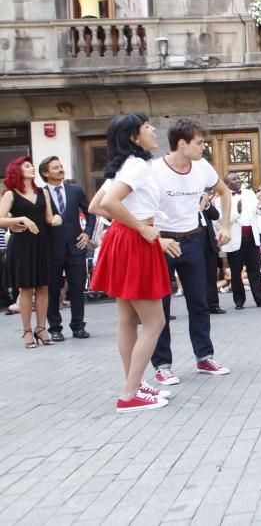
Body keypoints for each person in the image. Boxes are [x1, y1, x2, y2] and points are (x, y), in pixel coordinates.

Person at [88, 114, 171, 412]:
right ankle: (129, 394)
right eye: (147, 127)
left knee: (128, 320)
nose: (152, 129)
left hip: (123, 239)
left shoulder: (125, 165)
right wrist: (141, 227)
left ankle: (134, 385)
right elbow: (107, 205)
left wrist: (132, 226)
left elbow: (96, 205)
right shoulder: (136, 165)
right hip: (135, 242)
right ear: (134, 137)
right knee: (154, 321)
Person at [148, 119, 233, 387]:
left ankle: (204, 356)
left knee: (200, 301)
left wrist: (226, 224)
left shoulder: (202, 167)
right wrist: (153, 237)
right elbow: (139, 208)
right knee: (160, 306)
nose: (203, 148)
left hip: (193, 240)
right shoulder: (153, 170)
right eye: (199, 143)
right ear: (182, 143)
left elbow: (224, 191)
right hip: (161, 242)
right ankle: (162, 365)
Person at [1, 156, 62, 349]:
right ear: (16, 170)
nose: (32, 168)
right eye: (27, 166)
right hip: (22, 246)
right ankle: (27, 331)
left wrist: (57, 218)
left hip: (42, 243)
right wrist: (21, 219)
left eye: (32, 165)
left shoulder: (42, 192)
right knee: (26, 288)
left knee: (43, 287)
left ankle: (41, 328)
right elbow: (0, 219)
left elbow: (49, 217)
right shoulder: (10, 194)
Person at [38, 156, 95, 341]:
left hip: (75, 247)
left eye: (61, 166)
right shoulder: (41, 193)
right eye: (56, 167)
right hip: (52, 249)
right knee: (53, 289)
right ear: (46, 173)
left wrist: (87, 233)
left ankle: (78, 326)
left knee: (77, 287)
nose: (61, 169)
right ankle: (54, 328)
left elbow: (90, 212)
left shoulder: (75, 190)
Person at [219, 173, 261, 309]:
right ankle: (239, 301)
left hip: (252, 238)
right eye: (234, 179)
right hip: (235, 240)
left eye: (238, 178)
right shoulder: (221, 198)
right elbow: (222, 220)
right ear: (226, 183)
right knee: (236, 272)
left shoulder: (249, 193)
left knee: (255, 270)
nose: (238, 180)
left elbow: (258, 213)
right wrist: (237, 211)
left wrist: (260, 206)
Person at [199, 191, 226, 314]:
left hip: (209, 244)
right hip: (195, 244)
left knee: (211, 276)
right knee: (198, 278)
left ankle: (213, 304)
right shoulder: (186, 204)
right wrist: (201, 206)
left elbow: (215, 215)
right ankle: (201, 306)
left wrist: (207, 204)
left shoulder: (205, 203)